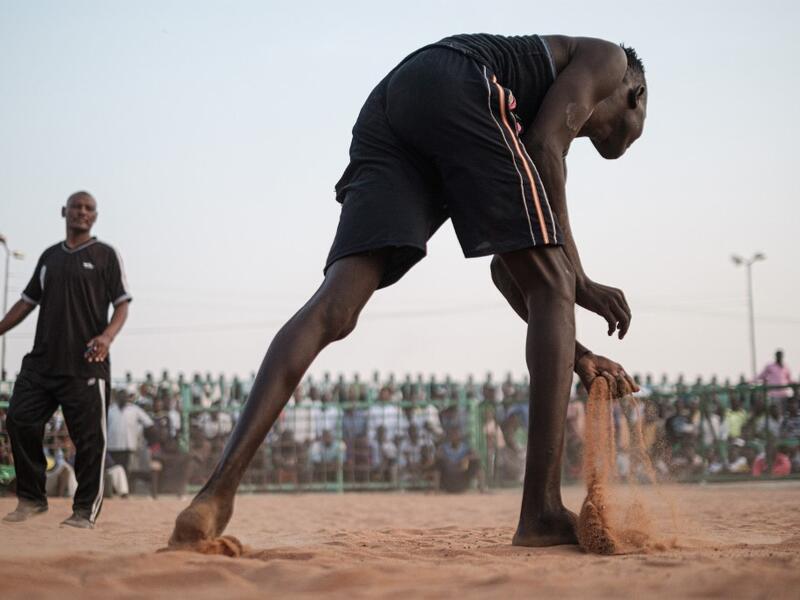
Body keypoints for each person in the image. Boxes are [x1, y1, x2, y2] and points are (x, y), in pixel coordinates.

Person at [170, 32, 644, 548]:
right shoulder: (609, 60)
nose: (599, 132)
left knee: (335, 307)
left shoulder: (515, 116)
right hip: (458, 78)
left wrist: (577, 354)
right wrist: (581, 280)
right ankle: (542, 512)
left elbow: (515, 275)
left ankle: (214, 497)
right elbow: (547, 146)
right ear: (634, 95)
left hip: (395, 107)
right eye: (624, 126)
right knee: (555, 280)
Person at [1, 191, 131, 529]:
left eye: (88, 208)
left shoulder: (105, 255)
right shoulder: (48, 258)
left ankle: (83, 512)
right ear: (64, 212)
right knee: (19, 419)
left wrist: (106, 337)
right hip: (42, 363)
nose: (82, 213)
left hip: (86, 364)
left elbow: (122, 304)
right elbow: (28, 301)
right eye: (76, 207)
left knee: (90, 441)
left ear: (95, 217)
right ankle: (31, 499)